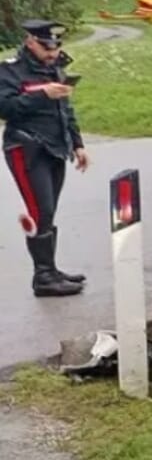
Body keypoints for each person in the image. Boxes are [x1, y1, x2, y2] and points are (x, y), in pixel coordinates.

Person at [0, 19, 89, 297]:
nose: (52, 53)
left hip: (55, 147)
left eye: (55, 47)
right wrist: (42, 95)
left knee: (48, 211)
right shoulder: (11, 70)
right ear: (30, 41)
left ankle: (50, 269)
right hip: (25, 147)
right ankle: (43, 277)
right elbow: (6, 107)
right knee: (40, 211)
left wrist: (77, 144)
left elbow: (65, 108)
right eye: (45, 47)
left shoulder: (54, 68)